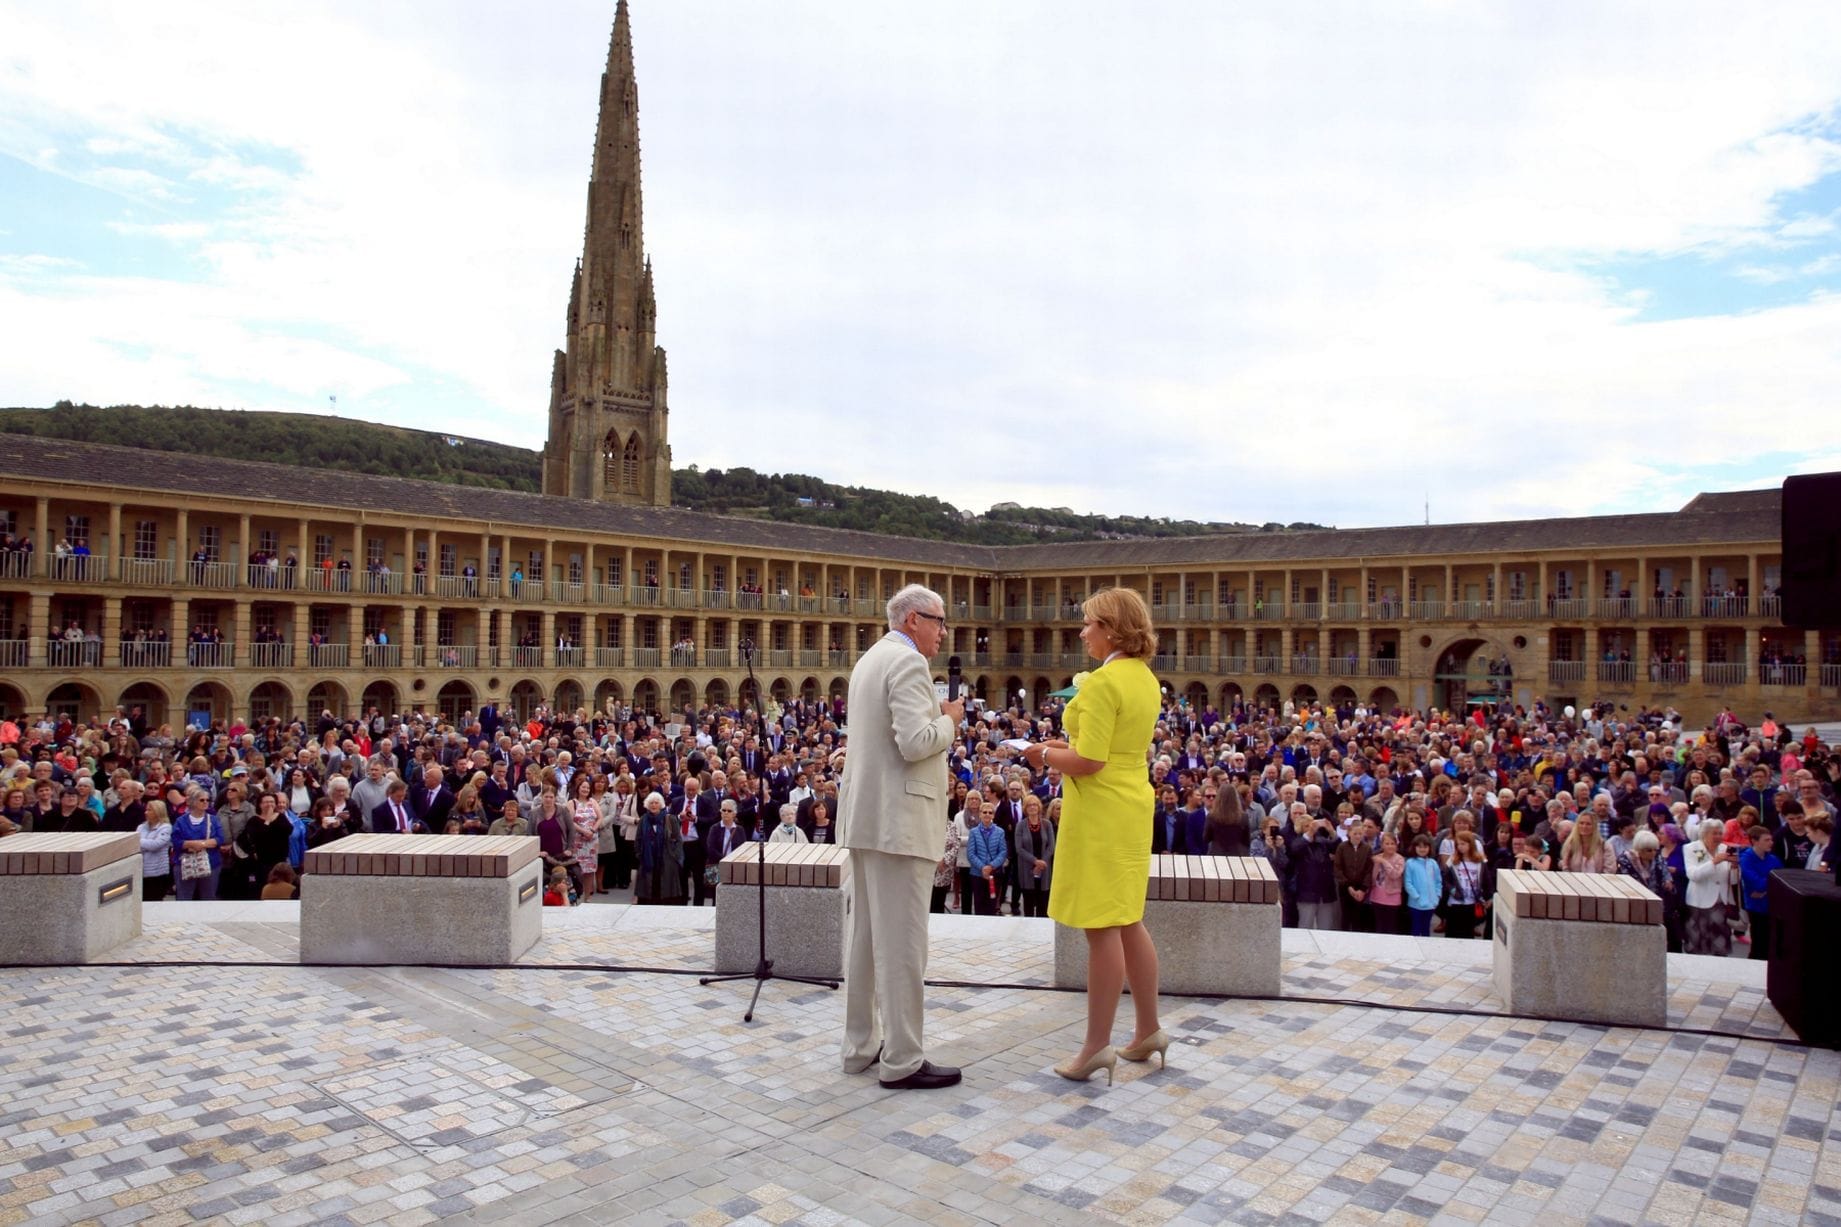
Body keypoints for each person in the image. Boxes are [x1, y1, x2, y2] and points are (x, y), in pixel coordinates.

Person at [1024, 586, 1164, 1086]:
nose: (1083, 633)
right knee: (1129, 918)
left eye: (1088, 624)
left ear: (1110, 628)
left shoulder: (1104, 683)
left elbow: (1090, 761)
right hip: (1131, 800)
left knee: (1102, 926)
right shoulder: (1146, 679)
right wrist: (1067, 746)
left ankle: (1094, 1047)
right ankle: (1148, 1029)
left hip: (1101, 805)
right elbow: (1113, 746)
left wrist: (1043, 755)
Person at [835, 584, 964, 1091]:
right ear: (913, 619)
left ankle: (860, 1046)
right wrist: (949, 722)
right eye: (938, 620)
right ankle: (904, 1058)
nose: (943, 631)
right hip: (900, 822)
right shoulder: (908, 664)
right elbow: (915, 743)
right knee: (904, 945)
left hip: (867, 820)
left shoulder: (871, 659)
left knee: (865, 942)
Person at [1682, 821, 1735, 956]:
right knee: (1697, 942)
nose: (1718, 836)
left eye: (1720, 833)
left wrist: (1735, 868)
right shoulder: (1691, 848)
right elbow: (1693, 875)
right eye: (1714, 833)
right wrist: (1714, 862)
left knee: (1720, 943)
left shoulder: (1725, 848)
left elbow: (1732, 880)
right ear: (1704, 834)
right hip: (1699, 902)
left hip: (1720, 902)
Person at [1739, 825, 1782, 962]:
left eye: (1771, 839)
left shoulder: (1773, 859)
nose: (1771, 842)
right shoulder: (1746, 858)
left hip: (1771, 905)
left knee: (1771, 942)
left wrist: (1764, 891)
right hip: (1756, 907)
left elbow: (1781, 880)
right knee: (1758, 942)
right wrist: (1769, 883)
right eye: (1766, 840)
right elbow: (1756, 883)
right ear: (1755, 841)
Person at [633, 791, 683, 904]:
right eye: (651, 803)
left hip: (667, 862)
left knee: (665, 895)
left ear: (661, 805)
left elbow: (678, 840)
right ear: (647, 805)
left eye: (656, 803)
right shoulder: (643, 820)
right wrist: (639, 854)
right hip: (647, 862)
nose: (654, 805)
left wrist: (675, 857)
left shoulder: (670, 819)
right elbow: (638, 840)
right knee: (648, 895)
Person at [1014, 793, 1056, 917]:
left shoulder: (1047, 824)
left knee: (1043, 905)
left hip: (1044, 869)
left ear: (1039, 807)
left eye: (1034, 805)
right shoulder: (1021, 825)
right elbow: (1019, 848)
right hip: (1027, 869)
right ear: (1025, 809)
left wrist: (1042, 862)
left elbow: (1051, 846)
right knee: (1028, 905)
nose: (1032, 807)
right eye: (1029, 805)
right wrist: (1035, 861)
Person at [1403, 834, 1442, 937]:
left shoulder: (1433, 863)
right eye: (1419, 847)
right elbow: (1408, 883)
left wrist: (1437, 895)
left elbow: (1438, 881)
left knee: (1426, 930)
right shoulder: (1410, 863)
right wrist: (1417, 896)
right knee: (1415, 929)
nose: (1422, 849)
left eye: (1425, 847)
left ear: (1429, 848)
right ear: (1414, 847)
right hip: (1415, 904)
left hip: (1431, 903)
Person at [1369, 831, 1405, 935]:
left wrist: (1384, 862)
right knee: (1379, 925)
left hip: (1392, 896)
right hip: (1377, 895)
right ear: (1382, 845)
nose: (1390, 846)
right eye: (1387, 843)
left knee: (1390, 926)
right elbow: (1372, 876)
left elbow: (1395, 875)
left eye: (1392, 843)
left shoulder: (1400, 859)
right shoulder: (1377, 857)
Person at [138, 798, 174, 902]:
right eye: (146, 809)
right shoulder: (141, 827)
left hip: (158, 872)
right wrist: (146, 843)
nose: (146, 812)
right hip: (142, 870)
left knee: (154, 900)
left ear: (158, 812)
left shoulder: (165, 827)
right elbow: (134, 844)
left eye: (149, 810)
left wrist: (140, 842)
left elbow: (156, 845)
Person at [932, 806, 964, 915]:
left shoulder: (951, 826)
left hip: (944, 870)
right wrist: (935, 859)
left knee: (939, 902)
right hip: (929, 867)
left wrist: (944, 860)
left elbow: (956, 845)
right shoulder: (927, 825)